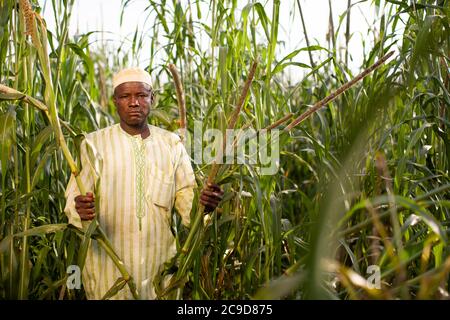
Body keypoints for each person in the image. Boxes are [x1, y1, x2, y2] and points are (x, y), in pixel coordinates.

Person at [64, 67, 223, 299]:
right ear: (115, 101)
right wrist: (81, 210)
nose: (134, 103)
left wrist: (206, 206)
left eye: (141, 95)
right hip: (108, 273)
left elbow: (190, 210)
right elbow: (72, 204)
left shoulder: (172, 145)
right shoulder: (93, 144)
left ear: (152, 98)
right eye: (125, 96)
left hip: (160, 275)